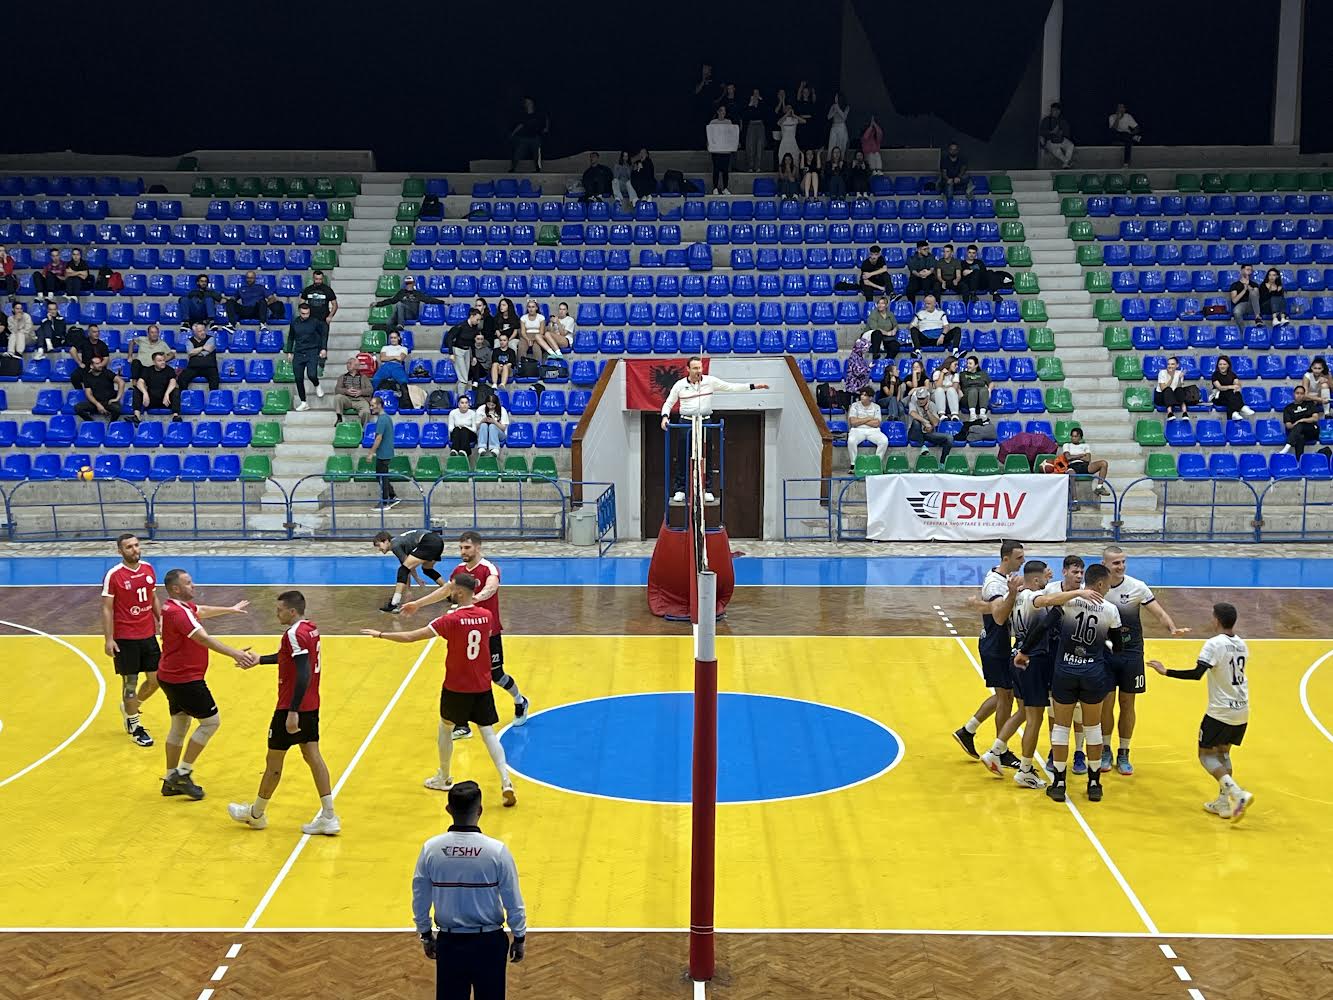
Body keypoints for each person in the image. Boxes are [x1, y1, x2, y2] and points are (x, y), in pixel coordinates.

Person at [364, 573, 518, 804]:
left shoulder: (450, 620)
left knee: (445, 727)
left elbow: (410, 637)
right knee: (487, 732)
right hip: (482, 686)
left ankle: (444, 778)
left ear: (459, 593)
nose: (450, 590)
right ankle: (506, 781)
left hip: (456, 686)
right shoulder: (486, 616)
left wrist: (381, 635)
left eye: (452, 588)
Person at [227, 591, 341, 836]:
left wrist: (292, 711)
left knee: (274, 762)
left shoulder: (293, 633)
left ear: (291, 611)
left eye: (279, 610)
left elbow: (303, 673)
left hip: (291, 707)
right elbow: (291, 660)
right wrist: (261, 660)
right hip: (311, 705)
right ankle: (329, 815)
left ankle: (256, 814)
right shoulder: (310, 629)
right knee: (313, 756)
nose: (276, 613)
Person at [402, 530, 531, 739]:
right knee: (462, 675)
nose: (463, 551)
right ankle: (462, 725)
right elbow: (445, 591)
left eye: (467, 547)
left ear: (478, 548)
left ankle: (520, 700)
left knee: (496, 676)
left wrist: (474, 599)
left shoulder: (488, 568)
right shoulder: (459, 570)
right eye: (461, 548)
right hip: (464, 631)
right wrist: (418, 604)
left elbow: (491, 588)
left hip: (488, 632)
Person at [1017, 562, 1121, 803]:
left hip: (1064, 672)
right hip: (1093, 674)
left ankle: (1060, 782)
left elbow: (1043, 626)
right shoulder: (1110, 610)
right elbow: (1119, 647)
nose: (1109, 588)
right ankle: (1094, 783)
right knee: (1092, 728)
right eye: (1107, 585)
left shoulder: (1068, 602)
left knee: (1061, 728)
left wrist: (1024, 651)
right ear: (1100, 584)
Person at [411, 782, 526, 1000]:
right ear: (480, 810)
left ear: (448, 809)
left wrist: (425, 934)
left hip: (450, 944)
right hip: (490, 944)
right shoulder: (497, 851)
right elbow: (513, 900)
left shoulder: (431, 849)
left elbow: (420, 896)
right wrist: (519, 936)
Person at [1147, 602, 1253, 821]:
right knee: (1223, 753)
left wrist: (1166, 672)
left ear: (1216, 620)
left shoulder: (1214, 644)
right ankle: (1223, 804)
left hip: (1220, 711)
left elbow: (1197, 674)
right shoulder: (1242, 644)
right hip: (1242, 710)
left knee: (1205, 755)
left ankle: (1236, 793)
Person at [156, 569, 255, 800]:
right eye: (188, 583)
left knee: (179, 726)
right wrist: (235, 654)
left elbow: (201, 611)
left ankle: (170, 779)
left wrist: (230, 609)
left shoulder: (174, 608)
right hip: (185, 679)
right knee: (211, 722)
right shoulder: (179, 613)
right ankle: (183, 773)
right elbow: (202, 638)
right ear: (176, 589)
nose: (193, 585)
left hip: (170, 676)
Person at [1100, 545, 1190, 776]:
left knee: (1128, 704)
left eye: (1123, 562)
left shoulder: (1137, 587)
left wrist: (1172, 628)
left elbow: (1158, 612)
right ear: (1105, 565)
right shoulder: (1097, 588)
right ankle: (1105, 749)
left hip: (1131, 653)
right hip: (1105, 653)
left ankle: (1124, 751)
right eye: (1115, 563)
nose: (1120, 567)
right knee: (1106, 704)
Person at [952, 540, 1025, 766]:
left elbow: (991, 607)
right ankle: (999, 751)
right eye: (1019, 558)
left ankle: (968, 730)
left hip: (997, 642)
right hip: (995, 644)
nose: (1022, 561)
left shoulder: (1001, 579)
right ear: (1006, 559)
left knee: (1005, 695)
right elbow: (999, 616)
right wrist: (1014, 594)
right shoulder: (995, 583)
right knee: (1006, 698)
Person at [659, 356, 769, 503]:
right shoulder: (679, 385)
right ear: (688, 369)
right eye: (695, 368)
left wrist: (753, 386)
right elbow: (668, 403)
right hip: (685, 423)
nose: (698, 371)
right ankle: (680, 489)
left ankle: (707, 489)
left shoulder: (710, 381)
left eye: (700, 367)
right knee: (683, 456)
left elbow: (731, 387)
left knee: (707, 455)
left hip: (705, 422)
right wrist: (665, 417)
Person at [102, 533, 161, 748]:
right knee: (130, 684)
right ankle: (135, 725)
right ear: (120, 551)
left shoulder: (148, 569)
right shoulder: (114, 575)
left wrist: (160, 620)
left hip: (148, 635)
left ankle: (130, 707)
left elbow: (153, 597)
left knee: (157, 680)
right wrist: (109, 639)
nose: (135, 550)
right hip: (126, 638)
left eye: (137, 545)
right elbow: (107, 608)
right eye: (129, 547)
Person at [373, 527, 446, 613]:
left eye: (379, 545)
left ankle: (394, 604)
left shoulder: (395, 545)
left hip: (428, 541)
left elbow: (406, 568)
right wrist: (413, 583)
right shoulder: (400, 542)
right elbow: (408, 567)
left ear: (386, 541)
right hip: (438, 541)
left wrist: (409, 589)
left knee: (402, 570)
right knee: (427, 569)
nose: (379, 549)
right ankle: (449, 592)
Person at [286, 301, 328, 410]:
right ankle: (304, 402)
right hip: (299, 352)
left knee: (312, 374)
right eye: (303, 313)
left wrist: (323, 348)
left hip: (312, 351)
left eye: (307, 313)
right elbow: (291, 337)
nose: (305, 315)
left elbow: (323, 334)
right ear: (300, 312)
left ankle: (317, 384)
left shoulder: (315, 322)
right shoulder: (294, 323)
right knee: (298, 378)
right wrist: (289, 352)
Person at [375, 274, 444, 329]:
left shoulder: (417, 293)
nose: (409, 285)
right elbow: (392, 300)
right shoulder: (401, 292)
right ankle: (388, 327)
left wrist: (441, 302)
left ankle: (400, 325)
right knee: (394, 313)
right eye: (407, 283)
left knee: (399, 304)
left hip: (412, 314)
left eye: (410, 283)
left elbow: (428, 299)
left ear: (413, 283)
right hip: (402, 314)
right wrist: (378, 304)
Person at [846, 387, 887, 473]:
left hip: (873, 431)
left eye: (865, 395)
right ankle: (854, 464)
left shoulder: (876, 407)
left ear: (870, 398)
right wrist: (868, 418)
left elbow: (876, 423)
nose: (862, 397)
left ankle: (876, 463)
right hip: (857, 430)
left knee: (884, 441)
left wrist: (860, 420)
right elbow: (853, 422)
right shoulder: (854, 405)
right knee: (851, 440)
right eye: (861, 394)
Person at [367, 396, 398, 510]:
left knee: (382, 477)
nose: (371, 408)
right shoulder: (387, 418)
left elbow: (378, 438)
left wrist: (371, 453)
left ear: (379, 405)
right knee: (381, 476)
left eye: (373, 405)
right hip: (385, 452)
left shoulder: (382, 419)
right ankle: (392, 496)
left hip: (383, 453)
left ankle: (385, 502)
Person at [906, 385, 953, 460]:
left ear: (927, 398)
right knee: (916, 421)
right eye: (919, 398)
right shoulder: (913, 403)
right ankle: (922, 447)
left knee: (949, 438)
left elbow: (935, 423)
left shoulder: (932, 405)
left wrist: (927, 411)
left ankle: (943, 462)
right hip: (914, 433)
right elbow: (912, 413)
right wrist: (925, 422)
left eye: (922, 398)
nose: (920, 401)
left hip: (927, 433)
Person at [1062, 427, 1112, 497]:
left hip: (1084, 466)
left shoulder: (1085, 446)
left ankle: (1099, 487)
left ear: (1080, 437)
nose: (1073, 438)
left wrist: (1074, 456)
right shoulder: (1067, 445)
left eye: (1076, 436)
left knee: (1104, 463)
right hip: (1073, 466)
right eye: (1072, 436)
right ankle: (1074, 500)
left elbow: (1088, 459)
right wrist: (1081, 455)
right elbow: (1068, 458)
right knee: (1071, 475)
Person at [134, 351, 182, 422]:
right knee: (137, 389)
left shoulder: (169, 370)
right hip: (151, 400)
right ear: (154, 362)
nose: (163, 362)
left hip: (166, 401)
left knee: (176, 390)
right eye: (159, 361)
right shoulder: (147, 370)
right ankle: (136, 416)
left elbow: (173, 382)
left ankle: (175, 416)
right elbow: (139, 382)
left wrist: (167, 394)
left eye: (163, 360)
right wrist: (145, 393)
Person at [446, 307, 483, 398]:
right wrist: (451, 353)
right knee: (463, 378)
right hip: (458, 351)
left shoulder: (474, 328)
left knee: (464, 376)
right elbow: (449, 338)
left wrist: (473, 356)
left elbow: (472, 343)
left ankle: (458, 396)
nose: (478, 322)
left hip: (467, 351)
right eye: (477, 319)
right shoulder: (461, 326)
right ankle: (461, 399)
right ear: (472, 316)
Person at [74, 355, 124, 422]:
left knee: (117, 409)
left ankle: (111, 425)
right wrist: (98, 405)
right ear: (91, 366)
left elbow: (121, 382)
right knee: (78, 408)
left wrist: (117, 398)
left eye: (100, 363)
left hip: (108, 402)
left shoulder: (107, 372)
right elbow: (88, 394)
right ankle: (92, 423)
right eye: (97, 363)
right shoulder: (87, 376)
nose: (100, 365)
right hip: (95, 402)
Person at [1279, 384, 1322, 459]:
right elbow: (1288, 425)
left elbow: (1315, 418)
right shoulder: (1288, 408)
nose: (1299, 395)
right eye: (1297, 393)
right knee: (1299, 437)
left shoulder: (1310, 404)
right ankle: (1299, 461)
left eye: (1301, 393)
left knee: (1301, 424)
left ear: (1304, 395)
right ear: (1293, 394)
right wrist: (1297, 426)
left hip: (1312, 430)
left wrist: (1301, 420)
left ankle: (1288, 445)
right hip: (1298, 432)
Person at [1209, 355, 1255, 420]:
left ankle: (1234, 413)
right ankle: (1241, 407)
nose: (1222, 366)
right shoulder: (1215, 375)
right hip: (1218, 397)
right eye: (1220, 364)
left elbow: (1237, 383)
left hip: (1229, 398)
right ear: (1218, 365)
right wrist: (1231, 387)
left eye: (1224, 364)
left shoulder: (1232, 374)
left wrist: (1237, 387)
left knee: (1236, 393)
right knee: (1230, 393)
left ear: (1228, 365)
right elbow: (1220, 387)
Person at [706, 106, 739, 196]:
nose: (722, 113)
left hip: (726, 151)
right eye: (721, 111)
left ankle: (725, 188)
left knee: (725, 170)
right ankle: (715, 188)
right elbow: (710, 135)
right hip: (716, 151)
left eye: (724, 111)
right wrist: (709, 145)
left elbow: (731, 135)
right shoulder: (713, 122)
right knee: (716, 169)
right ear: (718, 112)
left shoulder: (728, 122)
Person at [179, 321, 220, 392]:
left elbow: (207, 352)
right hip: (193, 367)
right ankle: (184, 398)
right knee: (181, 379)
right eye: (200, 331)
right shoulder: (189, 341)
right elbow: (190, 352)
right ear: (194, 332)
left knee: (215, 381)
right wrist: (203, 347)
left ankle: (213, 399)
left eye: (204, 330)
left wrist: (195, 352)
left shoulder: (211, 339)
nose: (203, 332)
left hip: (209, 367)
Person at [333, 356, 374, 426]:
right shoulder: (342, 377)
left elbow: (370, 390)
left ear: (356, 366)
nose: (348, 365)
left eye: (350, 363)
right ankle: (339, 418)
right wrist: (346, 391)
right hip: (347, 399)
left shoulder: (363, 377)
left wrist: (360, 392)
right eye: (347, 363)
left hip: (360, 400)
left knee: (366, 411)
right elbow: (337, 390)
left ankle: (364, 427)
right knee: (338, 397)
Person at [509, 97, 547, 172]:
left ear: (532, 103)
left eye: (528, 102)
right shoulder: (523, 114)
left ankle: (538, 169)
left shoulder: (538, 113)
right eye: (526, 103)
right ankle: (512, 169)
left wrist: (546, 128)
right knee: (517, 154)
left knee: (537, 155)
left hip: (536, 138)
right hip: (525, 138)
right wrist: (513, 133)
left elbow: (546, 118)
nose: (527, 104)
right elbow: (520, 125)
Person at [1038, 101, 1074, 168]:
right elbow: (1041, 133)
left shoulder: (1062, 121)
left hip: (1060, 140)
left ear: (1059, 111)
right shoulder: (1046, 120)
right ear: (1051, 110)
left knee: (1070, 145)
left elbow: (1067, 132)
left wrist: (1061, 133)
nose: (1055, 112)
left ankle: (1066, 164)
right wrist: (1051, 132)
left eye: (1057, 110)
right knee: (1057, 151)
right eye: (1053, 110)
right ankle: (1067, 162)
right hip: (1050, 141)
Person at [863, 295, 900, 361]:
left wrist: (894, 330)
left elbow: (896, 325)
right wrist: (888, 333)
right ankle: (875, 355)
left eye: (882, 303)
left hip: (886, 339)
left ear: (886, 305)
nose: (880, 305)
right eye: (878, 303)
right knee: (877, 333)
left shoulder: (890, 314)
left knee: (895, 345)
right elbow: (875, 327)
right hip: (872, 338)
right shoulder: (873, 314)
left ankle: (887, 361)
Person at [1229, 263, 1264, 331]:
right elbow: (1234, 300)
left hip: (1254, 305)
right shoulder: (1235, 285)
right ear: (1242, 271)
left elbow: (1257, 296)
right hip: (1242, 305)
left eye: (1251, 270)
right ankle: (1244, 332)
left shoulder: (1254, 284)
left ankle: (1258, 317)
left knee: (1254, 292)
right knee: (1236, 312)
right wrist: (1244, 290)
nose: (1249, 272)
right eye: (1247, 269)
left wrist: (1249, 287)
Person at [904, 240, 939, 305]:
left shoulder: (931, 256)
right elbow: (913, 271)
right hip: (917, 278)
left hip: (928, 278)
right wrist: (920, 275)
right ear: (919, 250)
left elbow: (932, 268)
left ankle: (929, 306)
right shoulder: (912, 258)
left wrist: (928, 273)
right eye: (924, 249)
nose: (927, 251)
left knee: (928, 283)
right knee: (909, 290)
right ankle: (913, 307)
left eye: (928, 249)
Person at [959, 355, 990, 424]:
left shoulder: (982, 373)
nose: (967, 365)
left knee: (984, 390)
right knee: (973, 390)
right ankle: (972, 415)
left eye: (970, 363)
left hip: (980, 399)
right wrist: (959, 391)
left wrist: (989, 390)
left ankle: (982, 414)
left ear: (976, 365)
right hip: (967, 398)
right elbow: (957, 384)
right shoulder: (962, 374)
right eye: (967, 363)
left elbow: (991, 383)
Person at [741, 90, 767, 172]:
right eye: (754, 93)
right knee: (750, 146)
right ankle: (750, 166)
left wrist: (760, 101)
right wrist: (750, 104)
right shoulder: (749, 103)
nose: (755, 95)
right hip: (751, 124)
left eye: (757, 93)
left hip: (760, 124)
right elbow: (744, 114)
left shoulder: (762, 103)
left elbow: (766, 112)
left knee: (760, 145)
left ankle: (758, 166)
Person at [1156, 354, 1187, 420]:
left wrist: (1180, 378)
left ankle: (1185, 412)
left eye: (1172, 364)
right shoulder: (1162, 373)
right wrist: (1172, 377)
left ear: (1177, 365)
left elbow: (1178, 387)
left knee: (1180, 389)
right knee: (1168, 389)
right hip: (1161, 396)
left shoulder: (1179, 373)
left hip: (1173, 396)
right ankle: (1170, 413)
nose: (1170, 366)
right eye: (1168, 364)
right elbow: (1163, 388)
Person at [775, 104, 803, 168]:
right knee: (782, 159)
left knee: (795, 159)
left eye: (790, 108)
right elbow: (778, 123)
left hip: (793, 142)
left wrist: (794, 115)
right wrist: (786, 114)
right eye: (787, 108)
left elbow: (804, 121)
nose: (789, 109)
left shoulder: (795, 120)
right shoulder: (783, 120)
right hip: (784, 142)